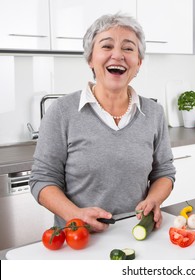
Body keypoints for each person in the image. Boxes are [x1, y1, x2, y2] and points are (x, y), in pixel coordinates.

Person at [29, 13, 176, 232]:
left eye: (128, 48)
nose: (117, 55)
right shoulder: (61, 112)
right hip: (79, 239)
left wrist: (154, 199)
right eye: (107, 46)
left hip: (136, 235)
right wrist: (74, 215)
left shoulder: (154, 113)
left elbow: (164, 172)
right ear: (90, 58)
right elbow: (42, 179)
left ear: (139, 63)